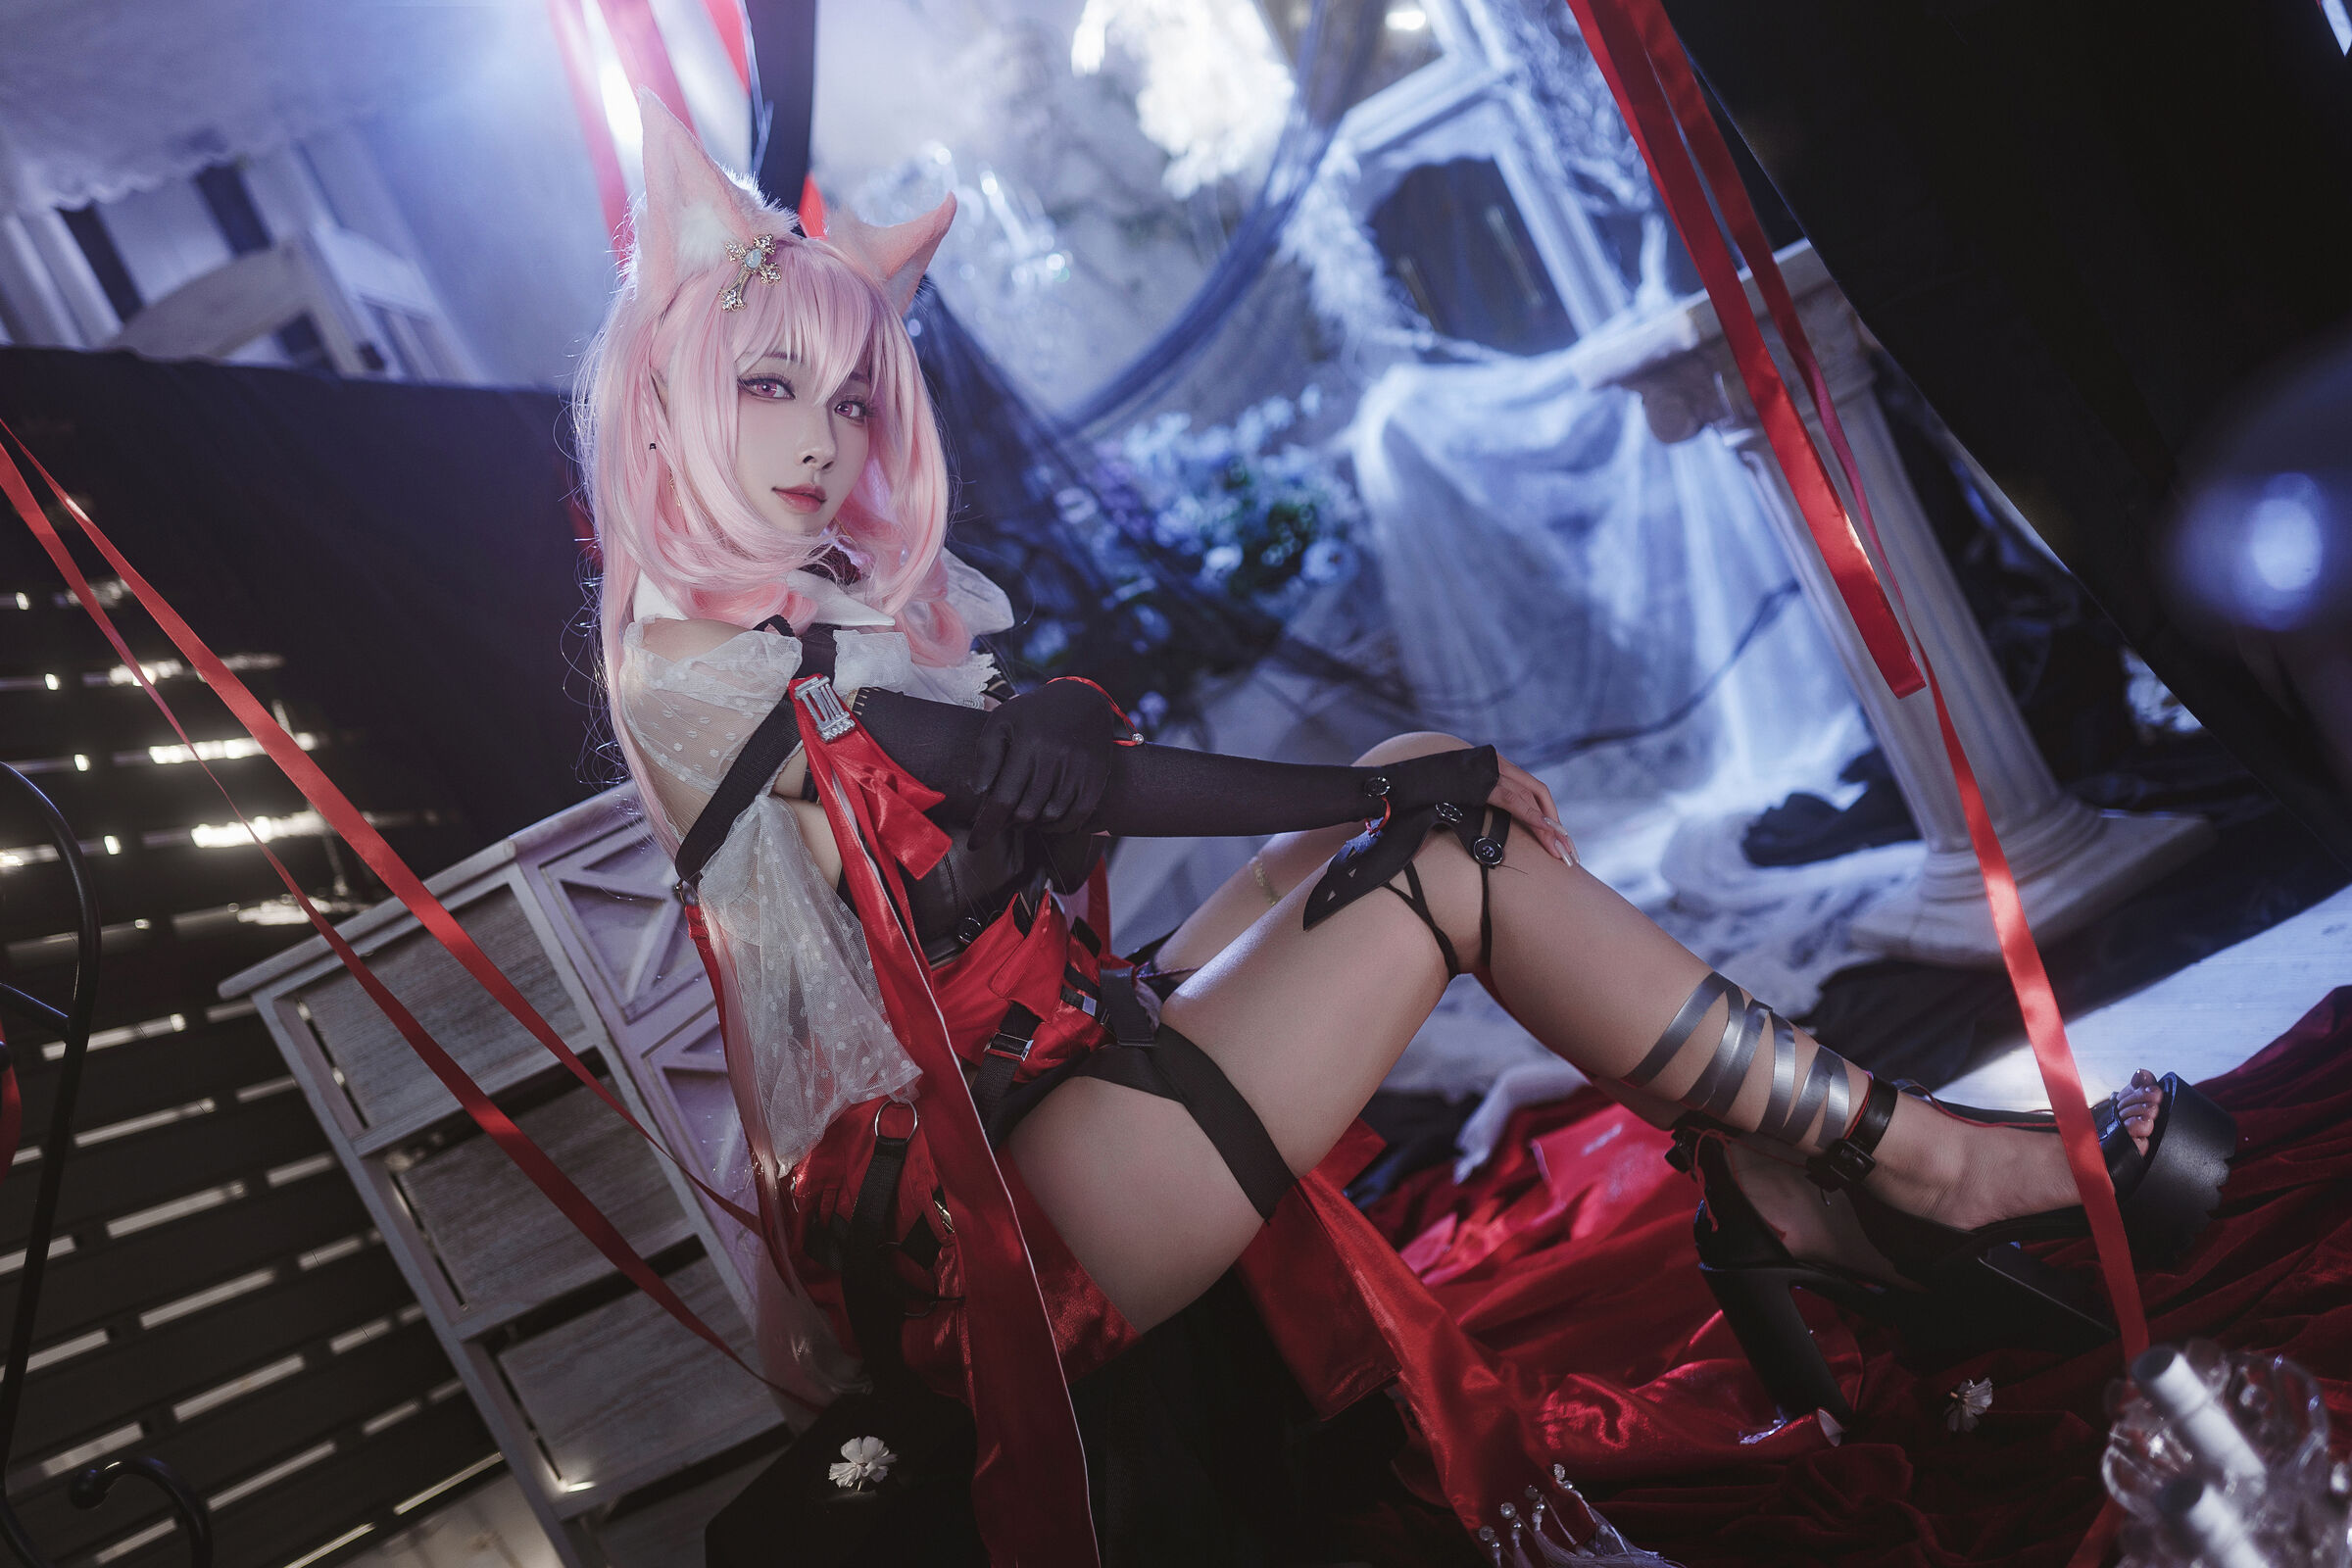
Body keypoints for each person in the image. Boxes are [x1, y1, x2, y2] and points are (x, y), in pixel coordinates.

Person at [585, 96, 2229, 1567]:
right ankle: (1922, 1164)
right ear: (662, 399)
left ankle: (1769, 1185)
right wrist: (1355, 807)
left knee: (1421, 759)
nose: (824, 440)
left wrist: (1369, 781)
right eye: (770, 386)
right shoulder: (687, 666)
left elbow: (1035, 819)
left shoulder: (816, 622)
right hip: (985, 1221)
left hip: (1062, 1070)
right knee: (1442, 845)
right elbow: (1060, 789)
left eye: (854, 398)